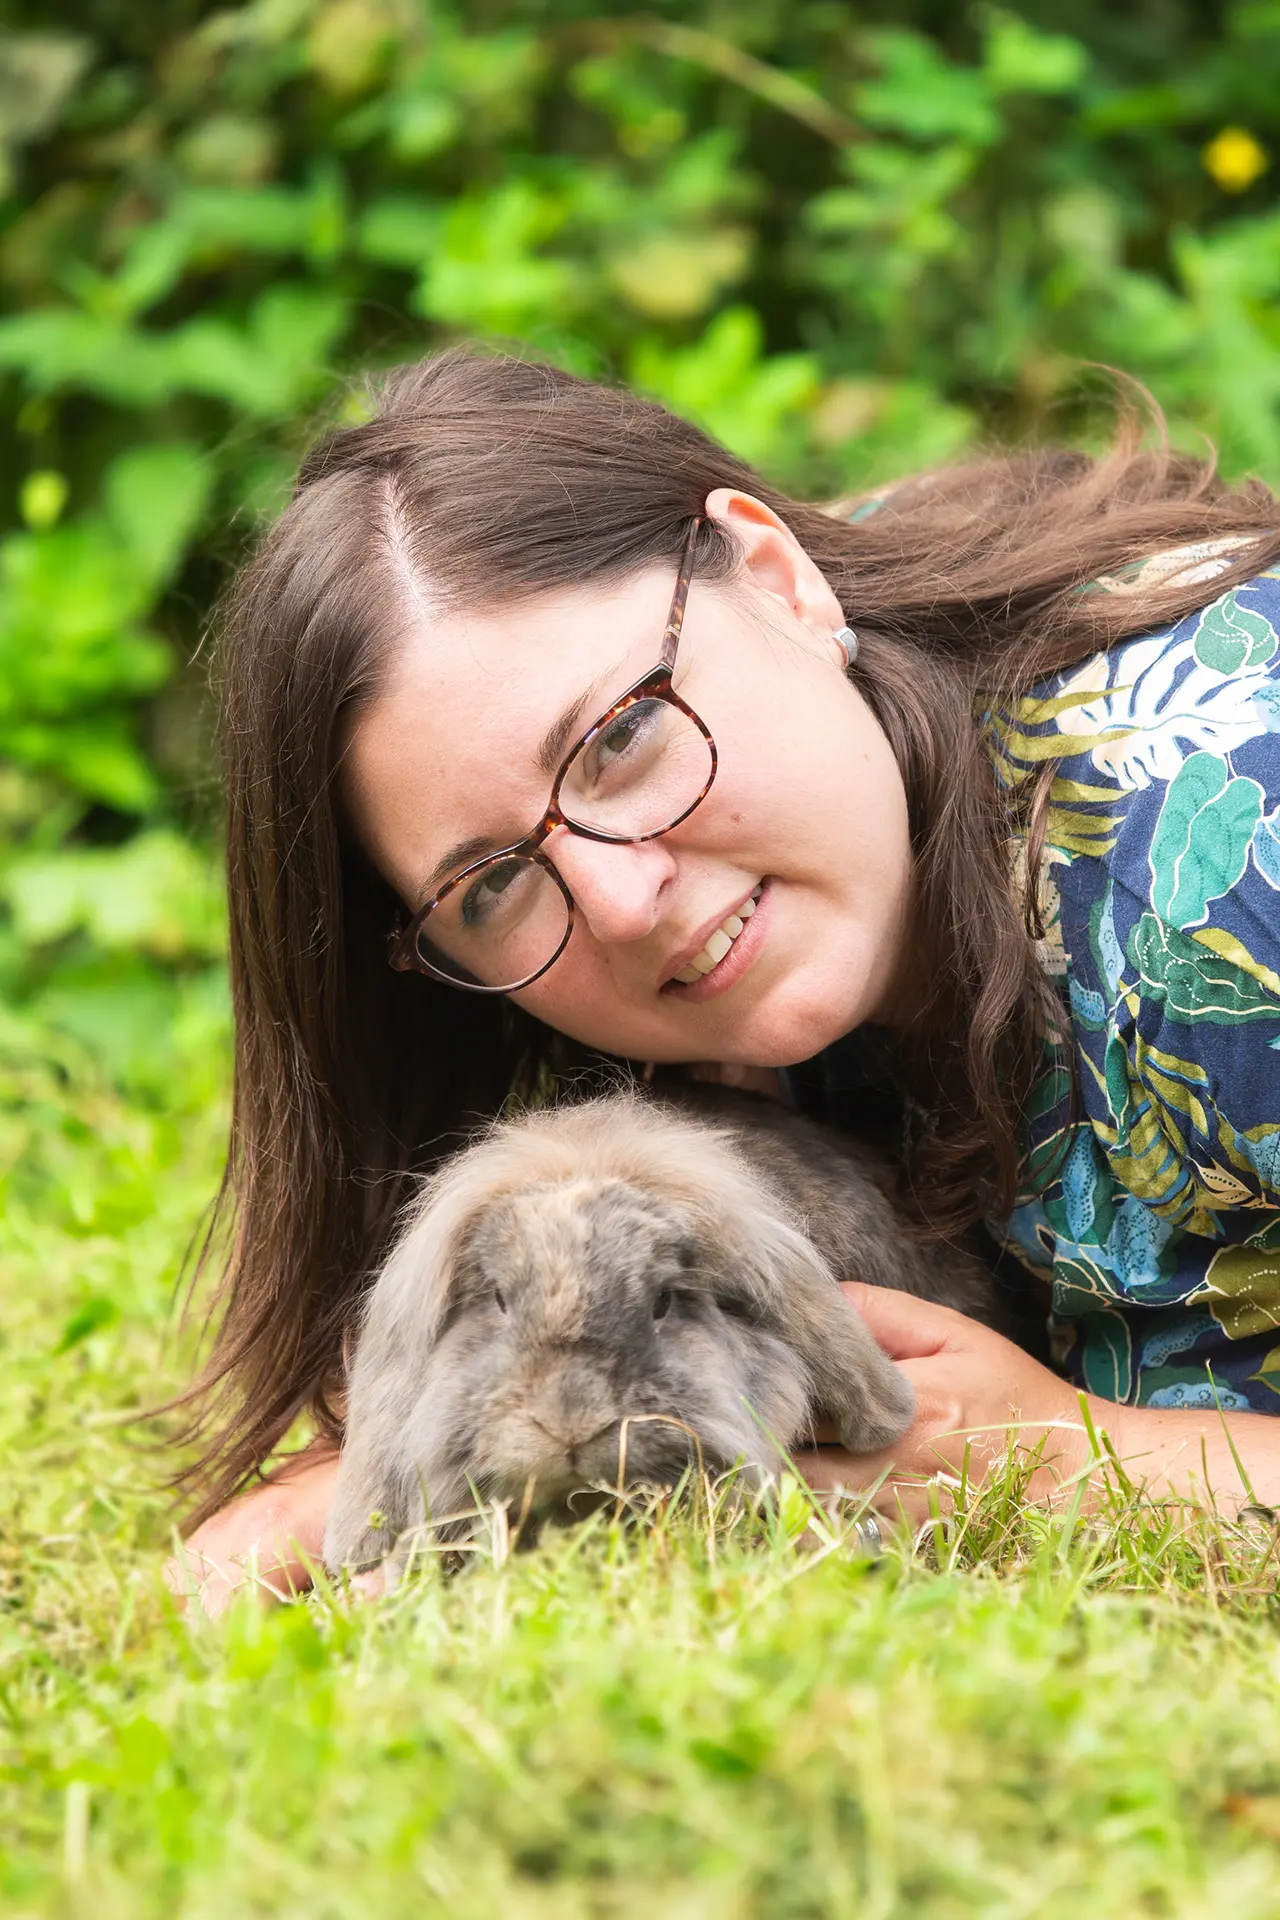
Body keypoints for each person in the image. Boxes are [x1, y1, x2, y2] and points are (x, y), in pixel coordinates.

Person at [169, 348, 1280, 1616]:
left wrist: (1071, 1462)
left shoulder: (1224, 890)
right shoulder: (782, 813)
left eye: (622, 737)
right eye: (489, 884)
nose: (620, 902)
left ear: (780, 578)